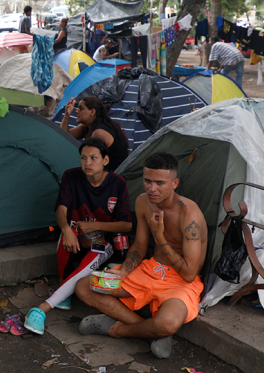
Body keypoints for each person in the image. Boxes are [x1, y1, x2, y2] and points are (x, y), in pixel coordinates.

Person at [75, 152, 207, 359]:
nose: (152, 189)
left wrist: (160, 237)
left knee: (167, 323)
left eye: (160, 183)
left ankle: (118, 329)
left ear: (175, 183)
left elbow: (190, 274)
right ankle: (149, 331)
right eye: (147, 181)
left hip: (179, 282)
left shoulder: (190, 214)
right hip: (149, 271)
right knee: (85, 286)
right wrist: (123, 272)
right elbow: (140, 246)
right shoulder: (143, 201)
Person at [23, 138, 132, 335]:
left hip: (102, 240)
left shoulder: (118, 183)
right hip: (75, 232)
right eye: (83, 158)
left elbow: (126, 224)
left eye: (93, 158)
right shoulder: (71, 176)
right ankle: (64, 287)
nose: (87, 163)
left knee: (90, 260)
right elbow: (61, 208)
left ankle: (42, 308)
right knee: (68, 235)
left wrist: (95, 226)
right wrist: (65, 229)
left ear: (105, 160)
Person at [61, 96, 129, 171]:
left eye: (81, 108)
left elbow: (92, 161)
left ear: (92, 112)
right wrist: (67, 114)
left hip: (113, 176)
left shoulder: (99, 133)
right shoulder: (88, 126)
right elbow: (63, 136)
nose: (76, 111)